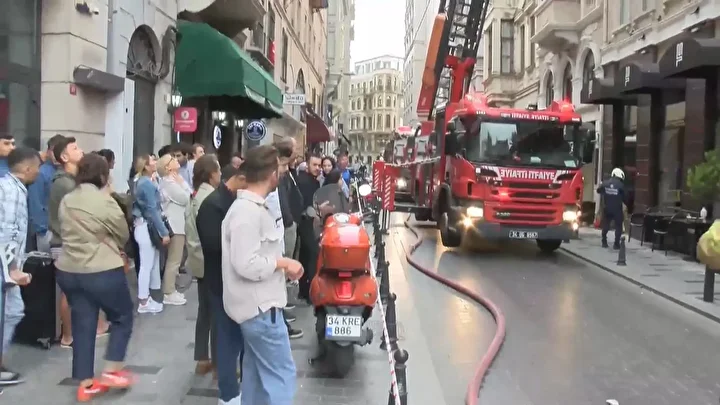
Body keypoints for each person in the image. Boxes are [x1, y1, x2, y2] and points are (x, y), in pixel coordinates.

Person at [221, 145, 302, 405]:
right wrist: (282, 263)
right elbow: (245, 263)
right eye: (279, 168)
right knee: (281, 377)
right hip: (261, 311)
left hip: (257, 309)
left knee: (256, 377)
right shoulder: (246, 212)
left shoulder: (250, 208)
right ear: (271, 174)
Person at [55, 153, 135, 402]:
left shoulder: (67, 199)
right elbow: (123, 234)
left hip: (69, 270)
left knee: (83, 323)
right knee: (122, 316)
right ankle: (112, 369)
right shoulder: (105, 201)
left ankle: (85, 383)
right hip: (101, 270)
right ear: (103, 175)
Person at [196, 162, 248, 404]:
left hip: (238, 281)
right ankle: (228, 395)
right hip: (220, 281)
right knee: (226, 337)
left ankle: (240, 386)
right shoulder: (212, 205)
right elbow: (213, 245)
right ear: (240, 179)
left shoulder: (235, 201)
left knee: (239, 337)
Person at [0, 147, 41, 386]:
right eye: (36, 167)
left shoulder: (10, 187)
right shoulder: (12, 191)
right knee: (9, 312)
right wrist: (12, 268)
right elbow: (7, 232)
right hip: (5, 267)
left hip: (6, 266)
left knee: (13, 311)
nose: (38, 171)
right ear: (27, 168)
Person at [49, 137, 93, 348]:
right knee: (70, 292)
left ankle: (75, 332)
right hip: (65, 243)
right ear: (64, 157)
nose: (81, 150)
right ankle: (68, 336)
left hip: (73, 242)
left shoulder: (73, 181)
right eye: (75, 148)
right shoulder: (64, 184)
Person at [185, 155, 221, 375]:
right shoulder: (210, 199)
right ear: (211, 173)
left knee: (204, 311)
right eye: (218, 170)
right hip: (209, 261)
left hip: (198, 260)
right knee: (216, 312)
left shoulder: (196, 195)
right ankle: (218, 362)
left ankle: (202, 357)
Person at [269, 137, 303, 339]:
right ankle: (279, 320)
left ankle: (280, 313)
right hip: (281, 229)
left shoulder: (287, 173)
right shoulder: (276, 180)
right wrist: (289, 221)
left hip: (284, 226)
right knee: (279, 275)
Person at [132, 155, 171, 313]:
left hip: (145, 226)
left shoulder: (144, 181)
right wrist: (164, 232)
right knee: (147, 265)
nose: (156, 162)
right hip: (146, 227)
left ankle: (152, 296)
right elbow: (152, 210)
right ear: (146, 166)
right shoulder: (146, 183)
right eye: (152, 161)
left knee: (151, 263)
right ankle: (143, 300)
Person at [156, 154, 191, 306]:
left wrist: (182, 183)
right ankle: (168, 292)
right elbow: (186, 198)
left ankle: (171, 289)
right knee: (174, 260)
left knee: (175, 259)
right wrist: (183, 184)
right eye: (172, 160)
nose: (176, 160)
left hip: (178, 225)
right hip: (174, 226)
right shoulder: (169, 183)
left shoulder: (172, 181)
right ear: (167, 167)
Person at [27, 134, 65, 252]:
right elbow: (35, 203)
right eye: (53, 151)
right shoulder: (41, 172)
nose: (56, 155)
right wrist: (42, 230)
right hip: (46, 231)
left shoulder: (64, 173)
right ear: (48, 151)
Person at [295, 154, 322, 302]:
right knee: (312, 255)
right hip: (306, 221)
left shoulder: (314, 181)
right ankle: (310, 291)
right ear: (307, 165)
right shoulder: (304, 181)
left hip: (310, 222)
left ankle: (304, 291)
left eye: (319, 165)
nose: (317, 168)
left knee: (306, 256)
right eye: (314, 165)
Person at [597, 167, 626, 249]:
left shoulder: (605, 183)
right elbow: (625, 197)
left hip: (607, 208)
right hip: (617, 209)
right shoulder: (621, 185)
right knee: (618, 226)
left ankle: (604, 242)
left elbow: (598, 190)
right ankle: (616, 244)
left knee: (606, 225)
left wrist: (606, 192)